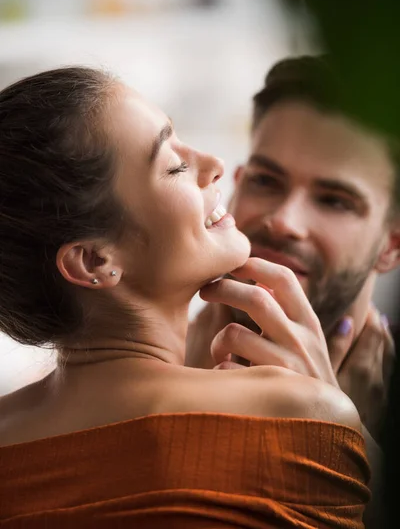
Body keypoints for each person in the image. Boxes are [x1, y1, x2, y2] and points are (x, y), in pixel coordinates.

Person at [0, 67, 369, 527]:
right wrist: (342, 430)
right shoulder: (297, 414)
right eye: (174, 165)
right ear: (93, 260)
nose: (214, 164)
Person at [186, 55, 399, 441]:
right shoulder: (141, 371)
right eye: (265, 181)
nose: (283, 220)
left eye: (334, 200)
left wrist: (346, 443)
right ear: (235, 185)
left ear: (393, 244)